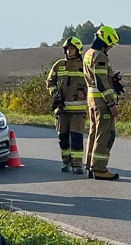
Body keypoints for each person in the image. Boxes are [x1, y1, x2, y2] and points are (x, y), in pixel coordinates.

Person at [83, 26, 121, 180]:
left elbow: (96, 79)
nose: (111, 47)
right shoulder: (100, 56)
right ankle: (99, 168)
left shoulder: (88, 54)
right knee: (105, 134)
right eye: (111, 44)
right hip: (102, 103)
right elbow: (100, 81)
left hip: (92, 101)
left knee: (94, 132)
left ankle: (90, 165)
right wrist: (111, 104)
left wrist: (112, 78)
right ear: (106, 40)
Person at [47, 37, 88, 173]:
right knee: (63, 138)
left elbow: (92, 84)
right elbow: (50, 82)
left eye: (72, 48)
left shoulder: (85, 66)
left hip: (78, 110)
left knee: (76, 138)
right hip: (62, 109)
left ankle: (77, 165)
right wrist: (55, 93)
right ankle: (66, 162)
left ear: (78, 50)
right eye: (67, 49)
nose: (69, 51)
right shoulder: (59, 65)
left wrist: (84, 92)